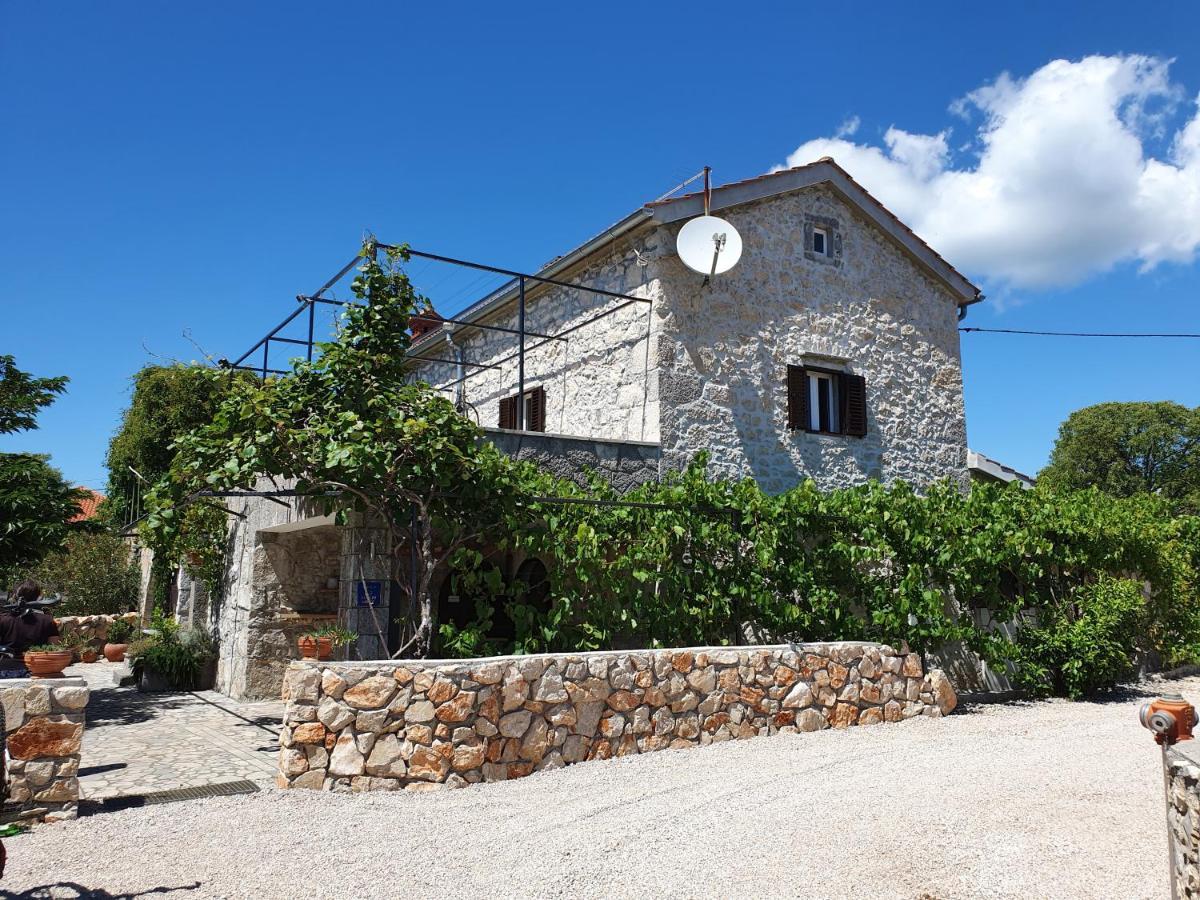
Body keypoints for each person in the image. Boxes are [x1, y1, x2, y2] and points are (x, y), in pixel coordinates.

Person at [0, 580, 60, 664]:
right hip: (37, 667)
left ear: (14, 596)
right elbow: (54, 649)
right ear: (38, 597)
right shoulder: (47, 620)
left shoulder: (3, 619)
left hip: (8, 669)